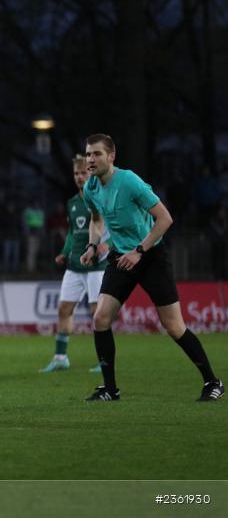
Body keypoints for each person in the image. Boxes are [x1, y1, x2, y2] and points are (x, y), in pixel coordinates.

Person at [79, 134, 223, 402]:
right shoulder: (91, 188)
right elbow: (96, 219)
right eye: (88, 154)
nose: (91, 159)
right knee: (100, 319)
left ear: (111, 157)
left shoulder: (129, 181)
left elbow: (165, 219)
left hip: (151, 256)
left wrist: (139, 251)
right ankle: (110, 389)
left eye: (97, 154)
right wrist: (91, 245)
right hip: (121, 257)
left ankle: (213, 382)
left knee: (174, 326)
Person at [40, 155, 109, 373]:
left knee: (98, 313)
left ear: (91, 173)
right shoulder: (72, 203)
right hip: (74, 265)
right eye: (76, 173)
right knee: (64, 309)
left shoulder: (101, 198)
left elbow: (113, 226)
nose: (79, 177)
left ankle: (105, 360)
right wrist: (64, 252)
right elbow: (72, 232)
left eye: (83, 173)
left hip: (96, 266)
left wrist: (106, 244)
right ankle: (60, 358)